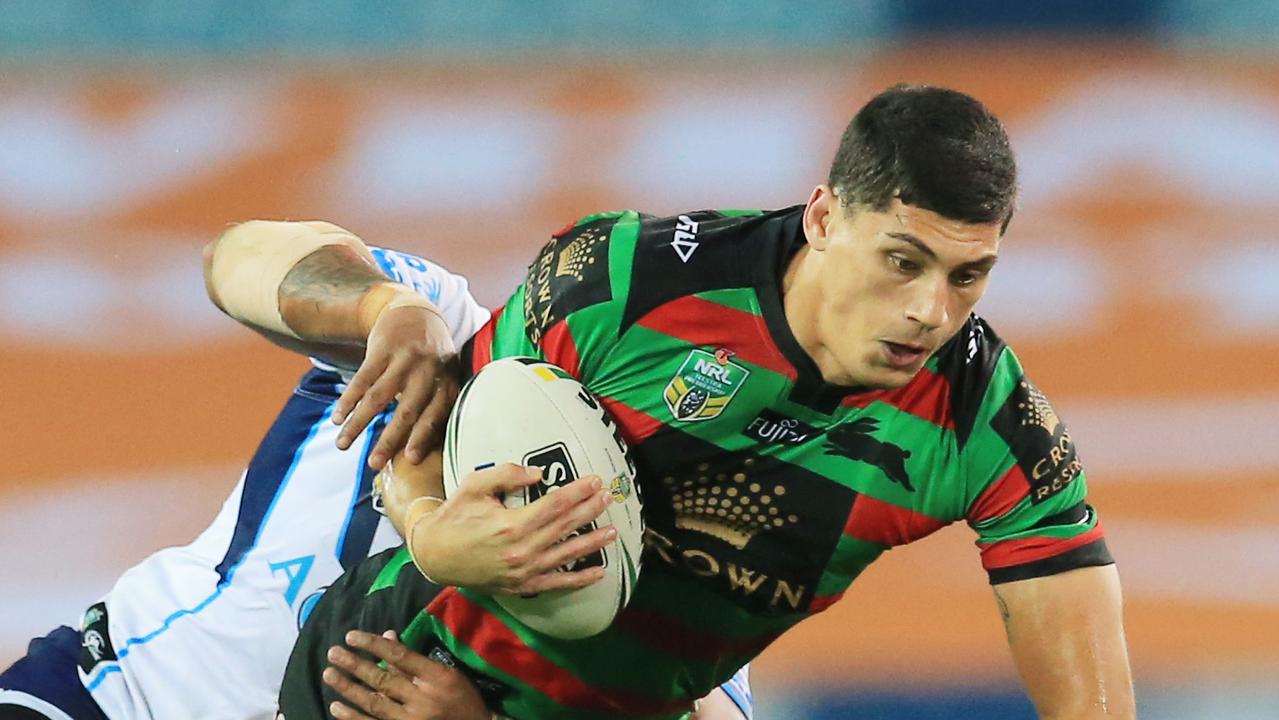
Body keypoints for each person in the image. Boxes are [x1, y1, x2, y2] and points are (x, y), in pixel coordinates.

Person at [212, 84, 1135, 720]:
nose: (929, 312)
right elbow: (445, 416)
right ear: (823, 218)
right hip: (400, 672)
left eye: (968, 276)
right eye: (902, 261)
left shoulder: (991, 426)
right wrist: (425, 531)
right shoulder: (630, 282)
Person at [0, 233, 750, 720]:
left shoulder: (687, 566)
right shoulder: (449, 335)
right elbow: (234, 256)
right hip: (128, 696)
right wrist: (384, 309)